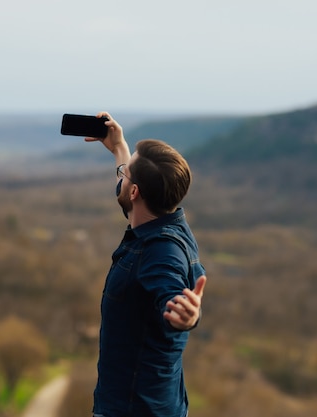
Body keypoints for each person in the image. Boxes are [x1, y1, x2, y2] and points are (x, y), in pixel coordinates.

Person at [85, 111, 207, 417]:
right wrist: (118, 148)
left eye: (126, 174)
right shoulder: (164, 215)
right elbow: (126, 192)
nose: (121, 175)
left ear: (136, 191)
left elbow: (170, 295)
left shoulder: (161, 251)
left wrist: (186, 316)